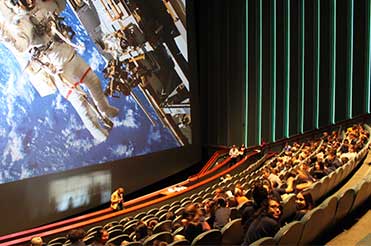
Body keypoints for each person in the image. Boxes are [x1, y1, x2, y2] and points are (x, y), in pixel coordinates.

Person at [0, 0, 119, 143]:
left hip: (69, 55)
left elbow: (60, 6)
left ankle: (105, 109)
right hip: (59, 69)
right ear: (18, 4)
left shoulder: (42, 5)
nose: (30, 1)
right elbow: (20, 46)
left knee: (94, 81)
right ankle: (98, 133)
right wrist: (5, 36)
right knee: (82, 105)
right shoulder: (21, 23)